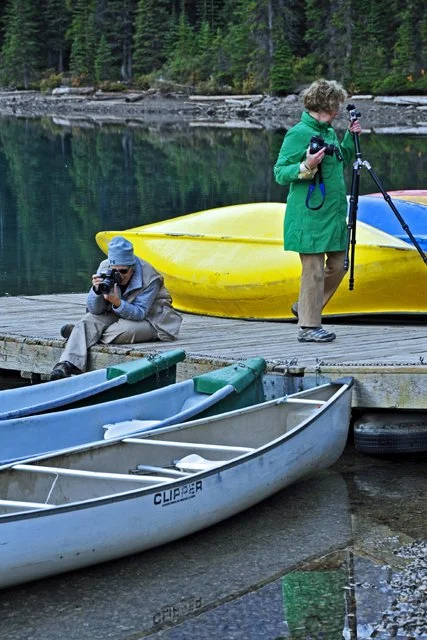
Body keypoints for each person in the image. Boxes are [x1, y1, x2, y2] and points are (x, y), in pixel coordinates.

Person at [274, 79, 362, 342]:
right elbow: (280, 173)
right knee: (312, 270)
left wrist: (350, 136)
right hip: (309, 215)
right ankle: (309, 327)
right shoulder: (298, 133)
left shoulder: (328, 131)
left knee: (340, 264)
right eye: (337, 105)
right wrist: (306, 165)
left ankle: (305, 307)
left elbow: (342, 159)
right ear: (326, 106)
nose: (338, 111)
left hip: (332, 214)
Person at [49, 236, 182, 380]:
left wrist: (117, 302)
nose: (119, 275)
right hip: (117, 310)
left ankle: (80, 335)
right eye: (115, 271)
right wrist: (95, 291)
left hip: (152, 318)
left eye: (123, 271)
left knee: (127, 330)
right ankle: (65, 365)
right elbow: (95, 311)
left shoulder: (150, 277)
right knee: (87, 321)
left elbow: (140, 313)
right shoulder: (105, 268)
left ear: (132, 267)